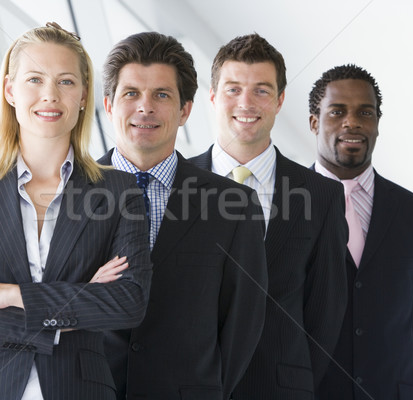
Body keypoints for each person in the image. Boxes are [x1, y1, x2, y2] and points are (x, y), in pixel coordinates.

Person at [0, 23, 152, 400]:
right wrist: (77, 305)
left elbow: (127, 304)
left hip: (80, 389)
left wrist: (8, 295)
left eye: (65, 82)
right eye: (34, 79)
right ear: (10, 90)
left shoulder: (118, 191)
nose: (50, 95)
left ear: (82, 96)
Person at [98, 31, 268, 400]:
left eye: (162, 95)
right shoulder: (66, 194)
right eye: (131, 94)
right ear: (109, 104)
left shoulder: (235, 205)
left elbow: (243, 322)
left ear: (185, 110)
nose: (145, 107)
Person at [190, 33, 348, 399]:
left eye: (261, 90)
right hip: (190, 386)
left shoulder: (321, 195)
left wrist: (294, 378)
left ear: (279, 101)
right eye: (232, 89)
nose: (246, 102)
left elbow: (325, 312)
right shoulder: (175, 185)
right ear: (212, 97)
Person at [309, 64, 413, 400]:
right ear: (315, 122)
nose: (352, 122)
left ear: (376, 124)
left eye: (365, 112)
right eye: (338, 111)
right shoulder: (277, 207)